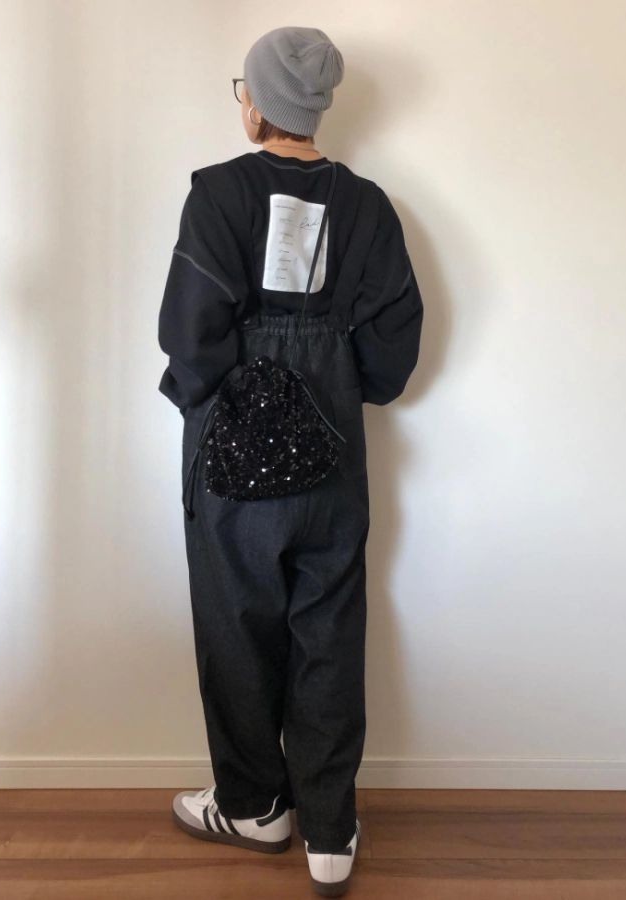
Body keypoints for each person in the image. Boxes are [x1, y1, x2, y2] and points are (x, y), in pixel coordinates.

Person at [158, 26, 423, 897]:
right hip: (331, 444)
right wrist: (341, 380)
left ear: (256, 105)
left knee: (236, 623)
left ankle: (254, 805)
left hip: (232, 453)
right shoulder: (369, 206)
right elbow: (392, 344)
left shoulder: (218, 194)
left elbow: (191, 334)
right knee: (329, 626)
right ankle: (330, 829)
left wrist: (209, 398)